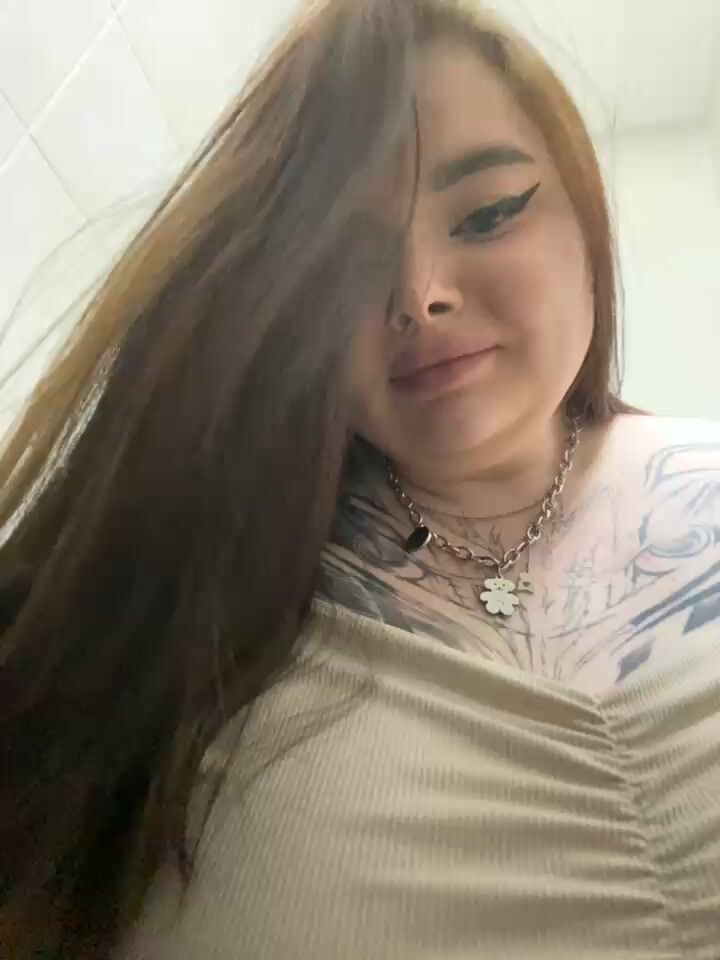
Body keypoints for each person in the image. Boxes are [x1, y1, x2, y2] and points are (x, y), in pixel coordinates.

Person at [0, 0, 718, 956]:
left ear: (585, 219)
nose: (420, 294)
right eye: (342, 257)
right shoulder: (195, 581)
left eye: (489, 213)